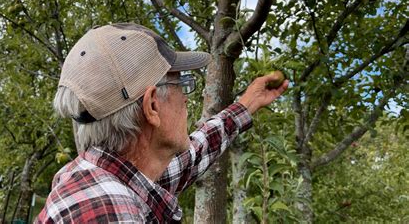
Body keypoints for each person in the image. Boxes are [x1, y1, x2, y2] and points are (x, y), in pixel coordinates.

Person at [36, 23, 288, 223]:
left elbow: (191, 157)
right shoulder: (114, 212)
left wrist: (246, 105)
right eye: (182, 85)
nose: (186, 100)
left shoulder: (100, 175)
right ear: (152, 106)